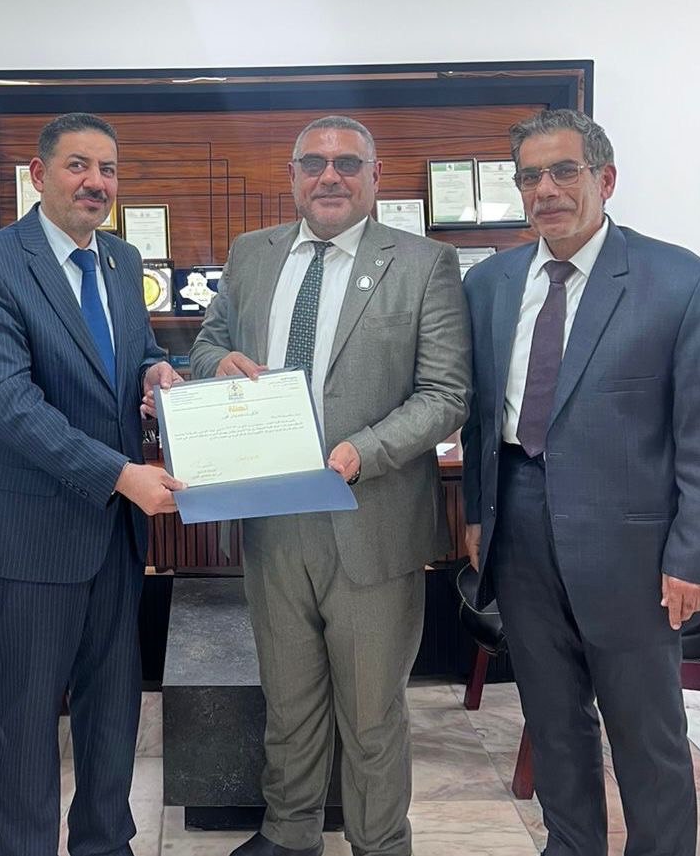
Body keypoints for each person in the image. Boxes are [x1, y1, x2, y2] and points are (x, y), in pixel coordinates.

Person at [460, 108, 700, 856]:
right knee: (553, 719)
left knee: (646, 730)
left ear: (606, 179)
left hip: (633, 546)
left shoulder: (683, 282)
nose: (546, 190)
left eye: (565, 171)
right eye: (530, 176)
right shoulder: (489, 284)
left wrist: (695, 556)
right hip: (518, 524)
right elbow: (481, 413)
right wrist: (477, 511)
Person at [189, 115, 471, 856]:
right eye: (313, 162)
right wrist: (216, 363)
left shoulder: (425, 263)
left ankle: (381, 843)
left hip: (370, 516)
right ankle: (290, 833)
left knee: (372, 712)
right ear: (292, 176)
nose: (329, 176)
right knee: (287, 699)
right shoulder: (251, 255)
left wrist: (363, 451)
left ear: (375, 176)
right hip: (271, 517)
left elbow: (446, 394)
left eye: (348, 163)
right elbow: (208, 342)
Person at [0, 112, 184, 856]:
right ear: (38, 174)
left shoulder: (120, 258)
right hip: (30, 535)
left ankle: (105, 844)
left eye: (107, 169)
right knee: (23, 724)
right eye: (78, 165)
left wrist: (154, 372)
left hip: (114, 535)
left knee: (113, 709)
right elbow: (7, 403)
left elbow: (131, 352)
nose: (95, 182)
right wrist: (120, 474)